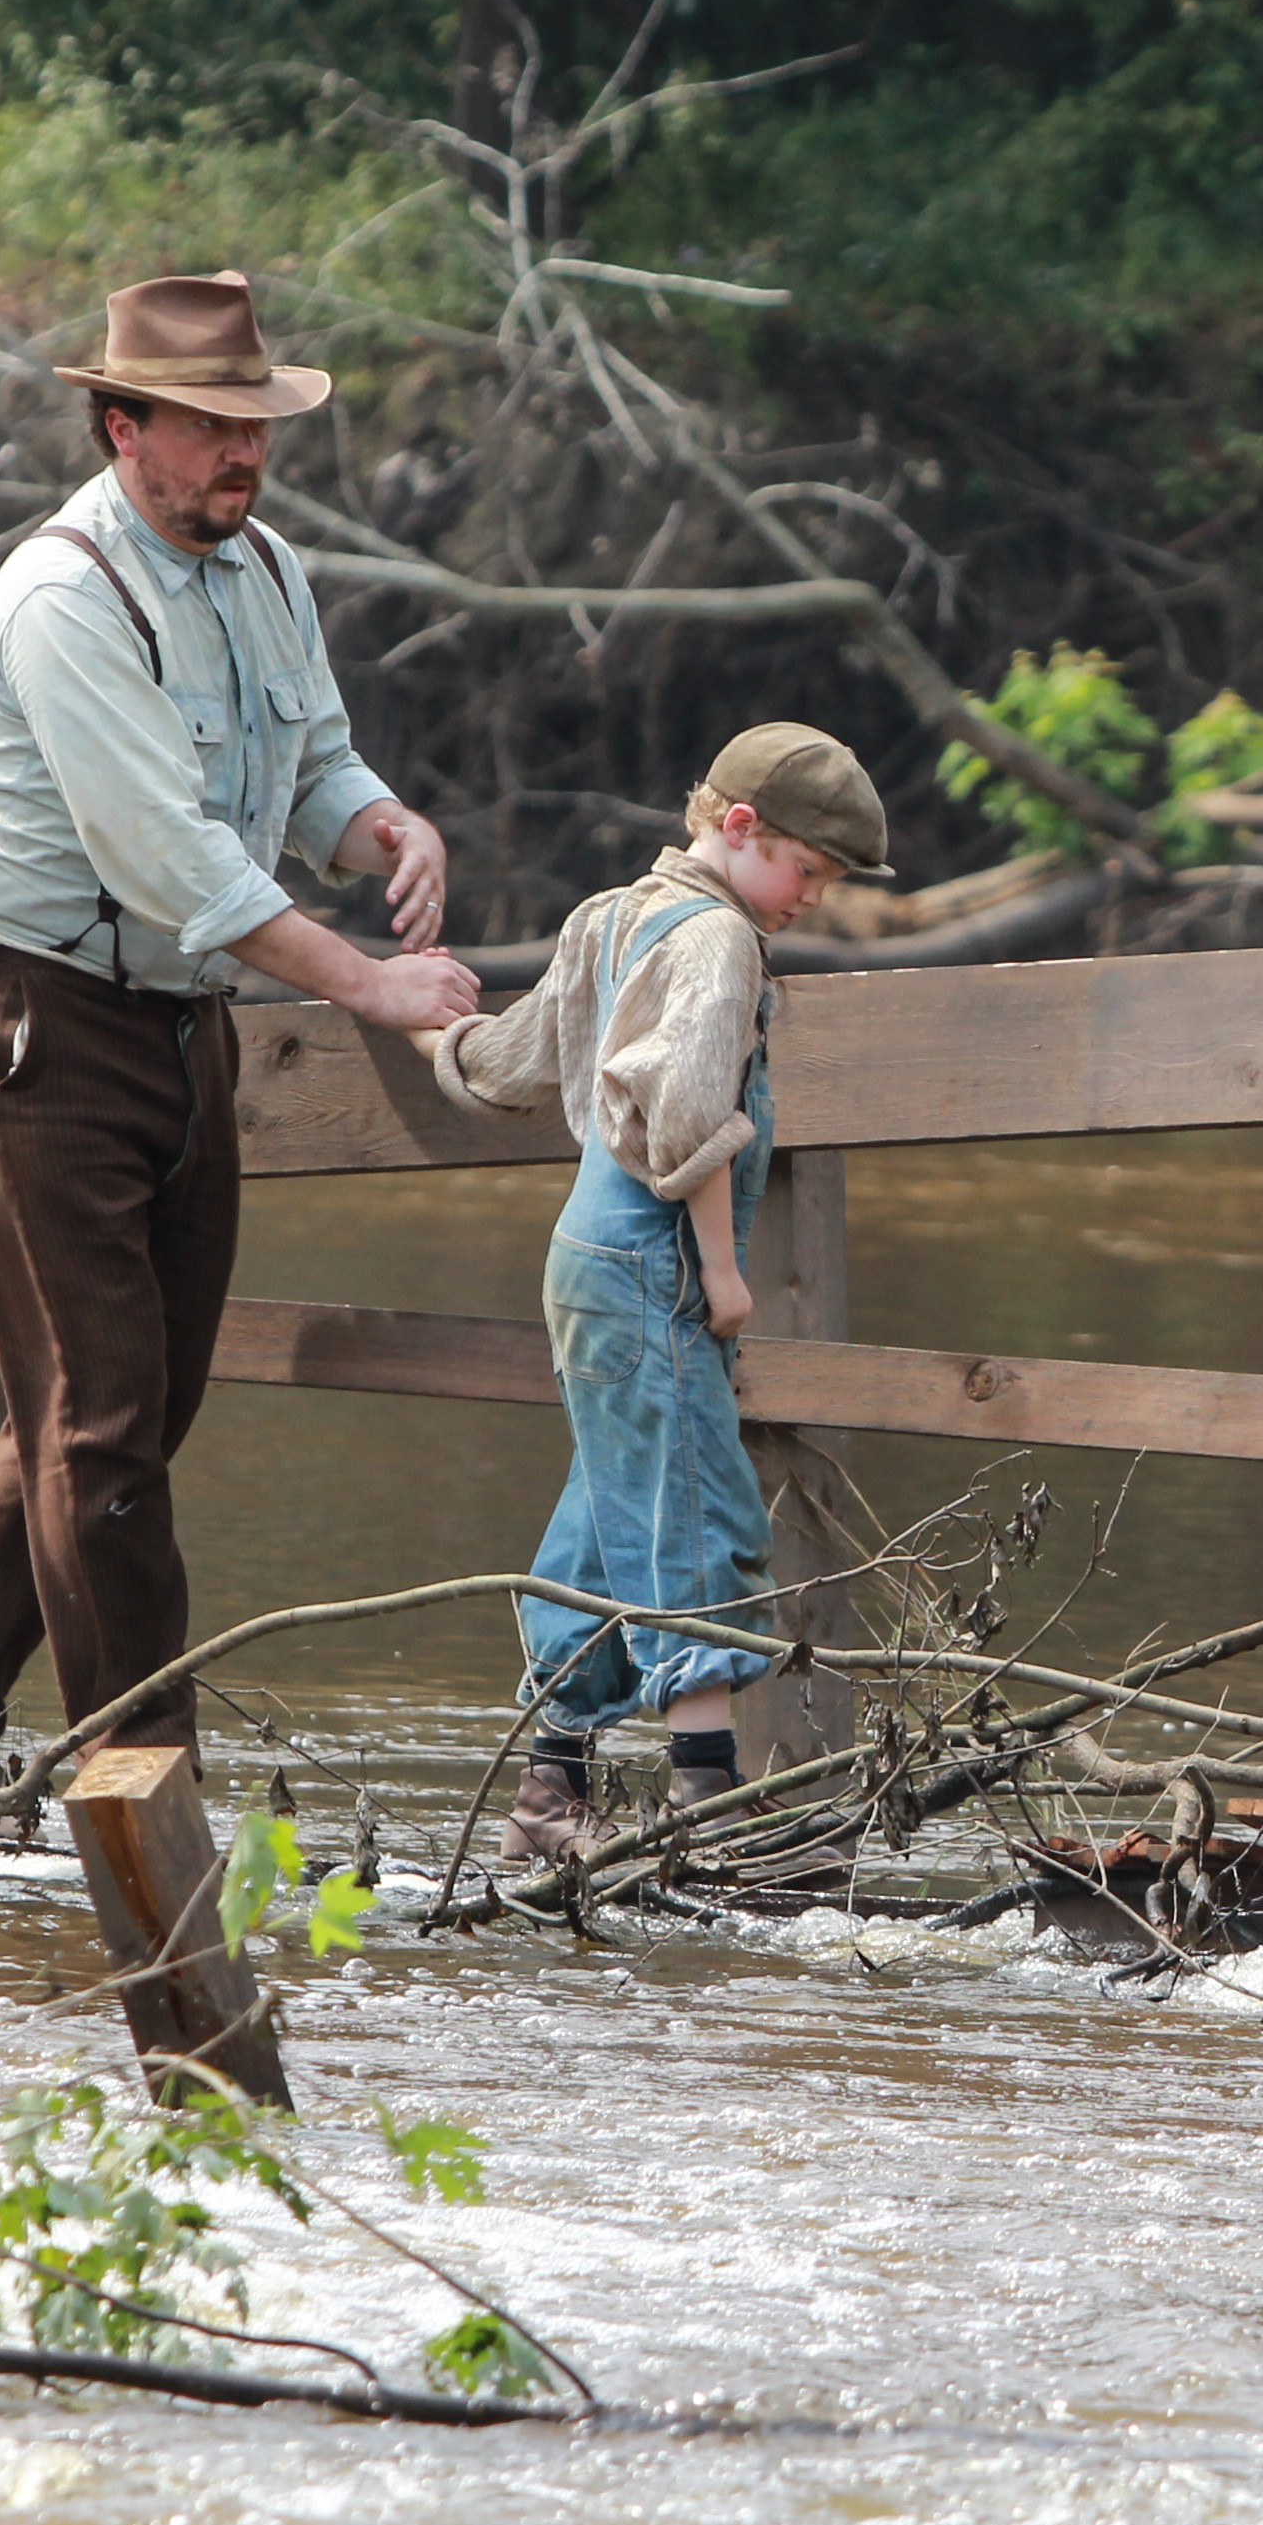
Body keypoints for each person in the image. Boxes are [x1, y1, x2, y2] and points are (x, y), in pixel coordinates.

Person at [0, 270, 481, 1801]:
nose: (241, 454)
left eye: (254, 424)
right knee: (102, 1415)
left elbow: (308, 760)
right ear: (123, 428)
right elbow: (168, 861)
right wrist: (368, 983)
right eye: (207, 427)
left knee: (137, 1397)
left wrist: (381, 823)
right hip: (24, 1008)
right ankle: (147, 1792)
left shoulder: (264, 569)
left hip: (175, 1016)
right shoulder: (63, 597)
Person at [426, 724, 890, 1864]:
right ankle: (709, 1805)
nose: (813, 900)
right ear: (740, 828)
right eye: (808, 872)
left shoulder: (606, 917)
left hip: (583, 1260)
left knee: (607, 1517)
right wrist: (725, 1273)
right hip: (651, 1259)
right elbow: (682, 1121)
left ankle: (551, 1793)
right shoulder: (720, 944)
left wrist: (433, 1026)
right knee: (698, 1512)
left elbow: (515, 1066)